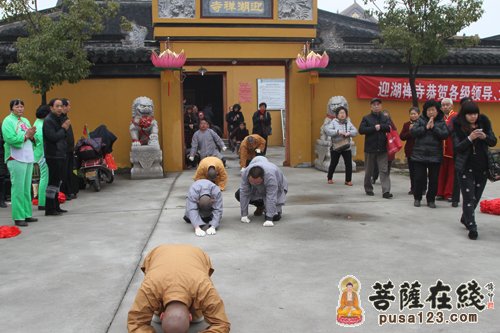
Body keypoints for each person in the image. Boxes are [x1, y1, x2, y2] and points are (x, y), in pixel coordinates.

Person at [127, 244, 230, 332]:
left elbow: (222, 324)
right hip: (157, 253)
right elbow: (221, 325)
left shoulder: (204, 287)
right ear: (189, 316)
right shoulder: (150, 286)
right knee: (197, 318)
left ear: (162, 316)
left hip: (196, 254)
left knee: (198, 318)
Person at [452, 101, 497, 240]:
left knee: (476, 197)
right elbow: (457, 147)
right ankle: (472, 227)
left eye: (475, 114)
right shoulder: (458, 126)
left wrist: (485, 137)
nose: (473, 117)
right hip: (466, 168)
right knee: (468, 197)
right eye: (470, 114)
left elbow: (493, 141)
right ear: (464, 115)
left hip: (482, 168)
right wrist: (470, 138)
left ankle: (465, 217)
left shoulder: (484, 123)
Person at [1, 99, 37, 226]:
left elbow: (32, 137)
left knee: (27, 187)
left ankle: (27, 214)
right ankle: (18, 216)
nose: (20, 108)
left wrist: (32, 136)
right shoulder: (7, 121)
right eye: (17, 106)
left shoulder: (25, 120)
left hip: (27, 156)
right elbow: (9, 138)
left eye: (22, 106)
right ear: (11, 108)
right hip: (15, 157)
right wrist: (26, 136)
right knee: (18, 188)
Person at [410, 99, 449, 208]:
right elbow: (413, 132)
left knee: (434, 179)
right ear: (425, 111)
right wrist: (425, 127)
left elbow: (445, 134)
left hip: (435, 156)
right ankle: (417, 198)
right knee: (419, 178)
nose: (431, 112)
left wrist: (434, 128)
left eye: (433, 110)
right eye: (428, 110)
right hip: (419, 155)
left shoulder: (441, 122)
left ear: (437, 111)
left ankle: (431, 200)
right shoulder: (420, 120)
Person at [235, 156, 288, 227]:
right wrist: (244, 214)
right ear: (248, 176)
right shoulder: (245, 173)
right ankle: (261, 206)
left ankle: (271, 210)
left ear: (263, 177)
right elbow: (244, 192)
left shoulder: (270, 177)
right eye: (252, 182)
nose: (254, 183)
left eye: (257, 182)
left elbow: (271, 196)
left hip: (277, 189)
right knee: (239, 194)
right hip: (257, 190)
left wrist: (269, 218)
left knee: (274, 217)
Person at [359, 98, 393, 198]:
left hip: (382, 148)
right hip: (370, 148)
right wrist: (374, 128)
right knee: (369, 170)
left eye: (378, 104)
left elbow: (389, 127)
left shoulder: (385, 117)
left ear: (381, 106)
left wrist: (380, 127)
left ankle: (386, 191)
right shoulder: (366, 118)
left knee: (384, 170)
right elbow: (361, 130)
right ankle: (368, 188)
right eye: (374, 105)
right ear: (371, 107)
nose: (376, 106)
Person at [43, 98, 71, 216]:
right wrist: (64, 128)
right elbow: (53, 137)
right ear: (51, 108)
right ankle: (49, 208)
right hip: (53, 155)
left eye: (61, 106)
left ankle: (56, 206)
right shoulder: (49, 121)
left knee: (58, 182)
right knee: (53, 182)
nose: (60, 108)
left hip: (61, 154)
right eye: (57, 106)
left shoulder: (59, 119)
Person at [324, 106, 358, 186]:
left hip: (346, 146)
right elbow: (328, 131)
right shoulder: (333, 122)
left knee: (348, 164)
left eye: (344, 113)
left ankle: (348, 180)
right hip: (336, 147)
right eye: (340, 113)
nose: (342, 114)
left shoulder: (348, 122)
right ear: (337, 114)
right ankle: (329, 177)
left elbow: (355, 131)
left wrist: (349, 133)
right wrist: (338, 132)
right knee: (334, 163)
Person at [436, 98, 459, 206]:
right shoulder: (439, 117)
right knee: (441, 172)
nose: (445, 107)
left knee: (451, 173)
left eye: (447, 105)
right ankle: (439, 192)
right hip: (440, 149)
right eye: (443, 105)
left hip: (452, 148)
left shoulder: (456, 116)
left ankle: (449, 193)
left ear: (451, 106)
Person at [400, 106, 425, 195]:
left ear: (419, 114)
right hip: (410, 150)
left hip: (421, 151)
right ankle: (413, 188)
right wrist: (410, 131)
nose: (413, 115)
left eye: (415, 114)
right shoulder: (407, 124)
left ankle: (422, 188)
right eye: (411, 114)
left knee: (421, 171)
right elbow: (402, 137)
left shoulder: (423, 124)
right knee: (412, 171)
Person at [33, 105, 50, 211]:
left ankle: (42, 201)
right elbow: (44, 142)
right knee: (45, 178)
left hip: (40, 154)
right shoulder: (41, 126)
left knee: (44, 177)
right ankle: (42, 202)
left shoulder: (37, 123)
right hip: (43, 155)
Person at [60, 98, 77, 200]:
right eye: (68, 105)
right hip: (64, 150)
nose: (69, 107)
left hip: (70, 149)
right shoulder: (59, 119)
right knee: (64, 172)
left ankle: (70, 190)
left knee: (70, 171)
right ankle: (64, 192)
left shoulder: (66, 118)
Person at [0, 125, 8, 208]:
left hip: (1, 155)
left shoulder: (2, 126)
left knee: (2, 178)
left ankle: (2, 200)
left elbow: (5, 139)